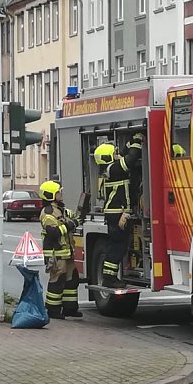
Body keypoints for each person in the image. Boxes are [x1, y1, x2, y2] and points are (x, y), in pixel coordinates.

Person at [93, 133, 143, 288]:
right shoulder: (114, 169)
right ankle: (110, 279)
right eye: (113, 153)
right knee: (118, 247)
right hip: (117, 214)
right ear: (109, 157)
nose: (116, 154)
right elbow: (130, 159)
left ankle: (110, 278)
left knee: (117, 245)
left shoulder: (110, 169)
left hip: (115, 213)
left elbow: (122, 154)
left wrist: (129, 141)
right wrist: (137, 142)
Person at [39, 180, 82, 320]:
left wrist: (78, 216)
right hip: (56, 253)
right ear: (51, 195)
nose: (61, 194)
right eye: (58, 192)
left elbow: (72, 217)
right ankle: (52, 310)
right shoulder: (48, 213)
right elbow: (53, 232)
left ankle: (70, 308)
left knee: (72, 279)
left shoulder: (61, 209)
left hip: (66, 252)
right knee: (57, 280)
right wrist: (71, 225)